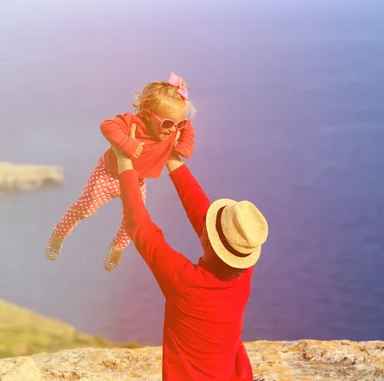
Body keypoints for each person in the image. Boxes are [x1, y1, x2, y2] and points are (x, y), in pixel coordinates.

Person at [108, 123, 269, 380]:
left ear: (209, 238)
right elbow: (201, 218)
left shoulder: (184, 281)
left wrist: (124, 162)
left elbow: (138, 225)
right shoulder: (244, 271)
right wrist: (171, 157)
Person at [44, 72, 196, 272]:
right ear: (148, 113)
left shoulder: (175, 127)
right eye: (167, 123)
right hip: (108, 175)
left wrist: (184, 146)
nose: (172, 130)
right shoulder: (133, 122)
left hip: (136, 179)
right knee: (86, 207)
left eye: (179, 123)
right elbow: (107, 126)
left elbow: (188, 130)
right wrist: (127, 143)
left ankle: (117, 248)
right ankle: (59, 233)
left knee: (135, 217)